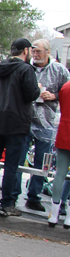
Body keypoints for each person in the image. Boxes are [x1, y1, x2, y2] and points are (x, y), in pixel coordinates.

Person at [0, 38, 39, 217]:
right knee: (11, 165)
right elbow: (30, 94)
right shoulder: (25, 69)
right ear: (26, 51)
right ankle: (7, 203)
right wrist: (38, 89)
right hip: (16, 121)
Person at [15, 39, 68, 212]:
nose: (35, 55)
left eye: (39, 52)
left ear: (48, 52)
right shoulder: (26, 67)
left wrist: (54, 96)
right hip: (24, 119)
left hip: (46, 121)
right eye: (34, 51)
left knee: (42, 163)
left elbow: (66, 91)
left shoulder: (58, 70)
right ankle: (13, 194)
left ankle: (34, 196)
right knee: (19, 158)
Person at [48, 79, 70, 227]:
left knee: (60, 174)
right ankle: (68, 217)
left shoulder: (66, 87)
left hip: (64, 130)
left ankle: (54, 214)